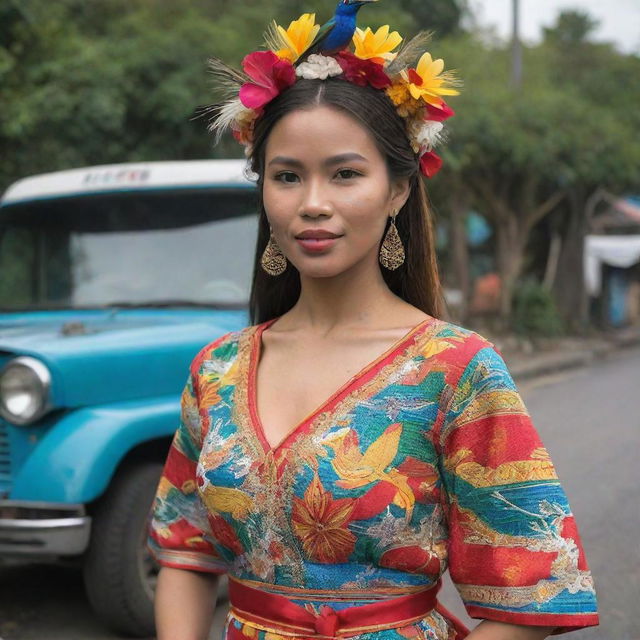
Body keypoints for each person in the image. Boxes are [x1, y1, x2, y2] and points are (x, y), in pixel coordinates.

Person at [148, 12, 599, 640]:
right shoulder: (218, 369)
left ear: (397, 191)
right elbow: (184, 550)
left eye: (345, 173)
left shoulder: (456, 369)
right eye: (286, 176)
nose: (312, 202)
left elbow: (533, 592)